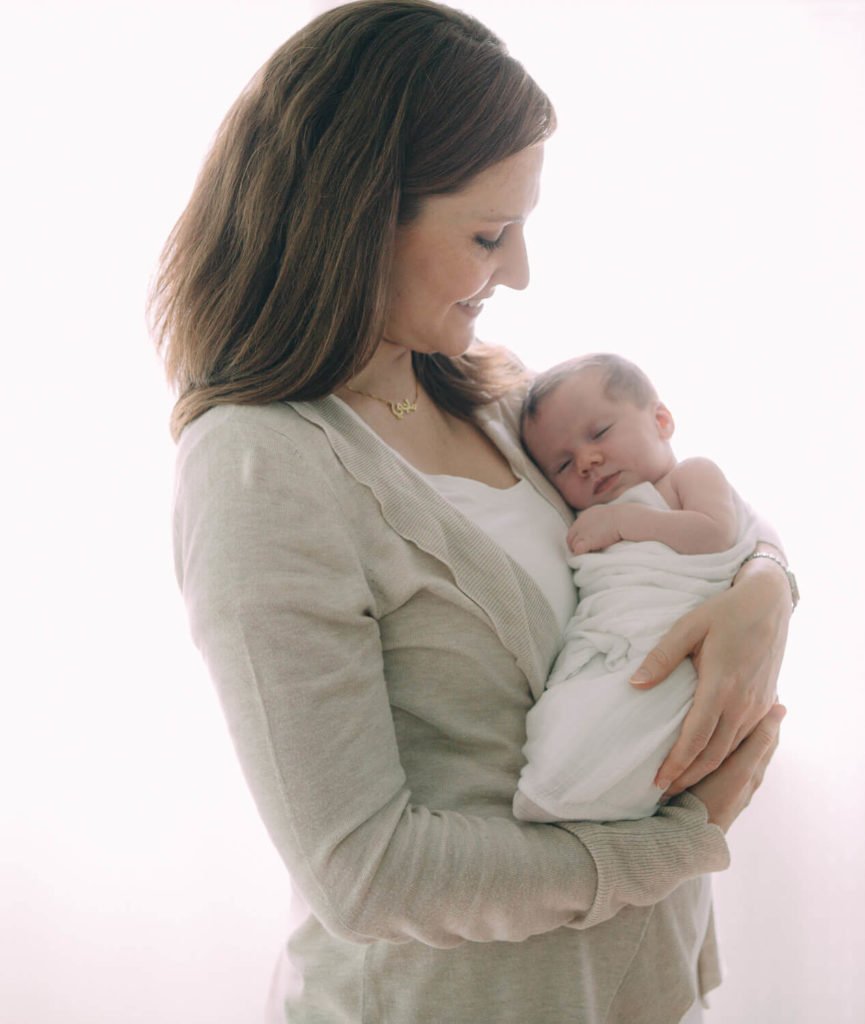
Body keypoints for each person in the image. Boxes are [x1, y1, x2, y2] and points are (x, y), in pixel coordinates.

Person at [151, 3, 793, 1021]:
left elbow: (692, 503)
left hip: (638, 987)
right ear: (354, 217)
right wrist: (676, 840)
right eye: (491, 234)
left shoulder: (501, 400)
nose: (524, 272)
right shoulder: (261, 466)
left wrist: (765, 595)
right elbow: (367, 871)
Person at [514, 353, 795, 824]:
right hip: (622, 628)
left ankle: (590, 787)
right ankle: (576, 786)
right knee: (568, 711)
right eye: (562, 465)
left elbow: (716, 535)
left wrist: (625, 522)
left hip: (681, 622)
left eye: (600, 433)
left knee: (639, 700)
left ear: (661, 420)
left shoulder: (689, 477)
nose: (586, 460)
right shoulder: (592, 518)